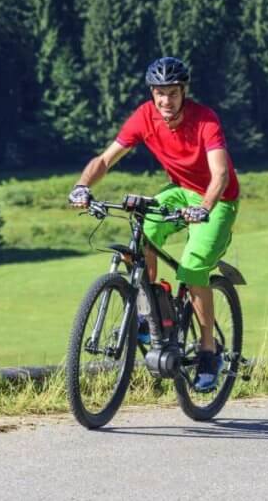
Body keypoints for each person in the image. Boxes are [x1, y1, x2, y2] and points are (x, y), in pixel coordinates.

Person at [69, 56, 240, 392]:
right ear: (152, 93)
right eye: (159, 93)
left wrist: (204, 207)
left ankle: (208, 351)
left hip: (216, 200)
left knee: (192, 269)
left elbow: (220, 173)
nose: (165, 101)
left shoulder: (205, 120)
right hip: (178, 192)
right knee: (140, 234)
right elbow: (105, 159)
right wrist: (82, 186)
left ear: (183, 92)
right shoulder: (144, 117)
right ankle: (156, 312)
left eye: (172, 93)